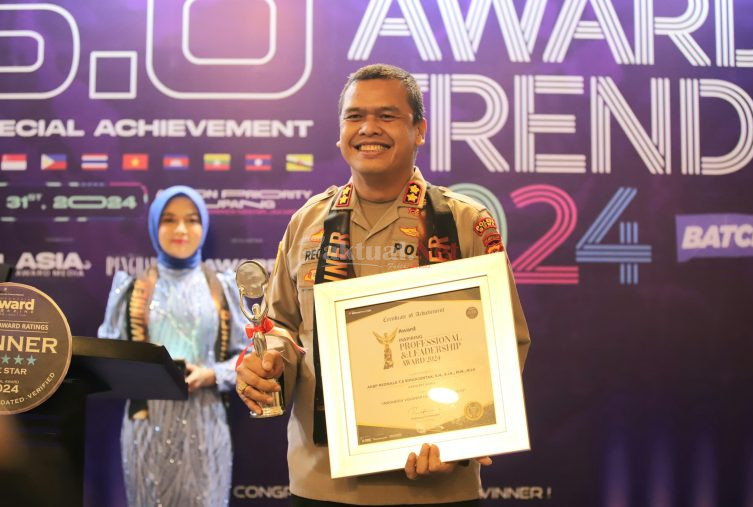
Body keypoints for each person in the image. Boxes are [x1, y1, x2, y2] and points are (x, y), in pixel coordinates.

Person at [236, 64, 530, 506]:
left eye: (387, 116)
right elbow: (279, 325)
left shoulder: (464, 222)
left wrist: (462, 436)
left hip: (437, 487)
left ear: (420, 130)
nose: (368, 128)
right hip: (321, 484)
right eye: (354, 116)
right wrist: (267, 363)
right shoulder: (306, 223)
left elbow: (506, 341)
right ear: (340, 133)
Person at [98, 185, 247, 507]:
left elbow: (247, 359)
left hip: (206, 425)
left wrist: (211, 374)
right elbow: (108, 360)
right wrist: (144, 371)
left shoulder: (222, 288)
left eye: (191, 220)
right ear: (155, 226)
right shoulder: (131, 290)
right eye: (169, 220)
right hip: (146, 426)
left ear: (203, 226)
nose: (181, 229)